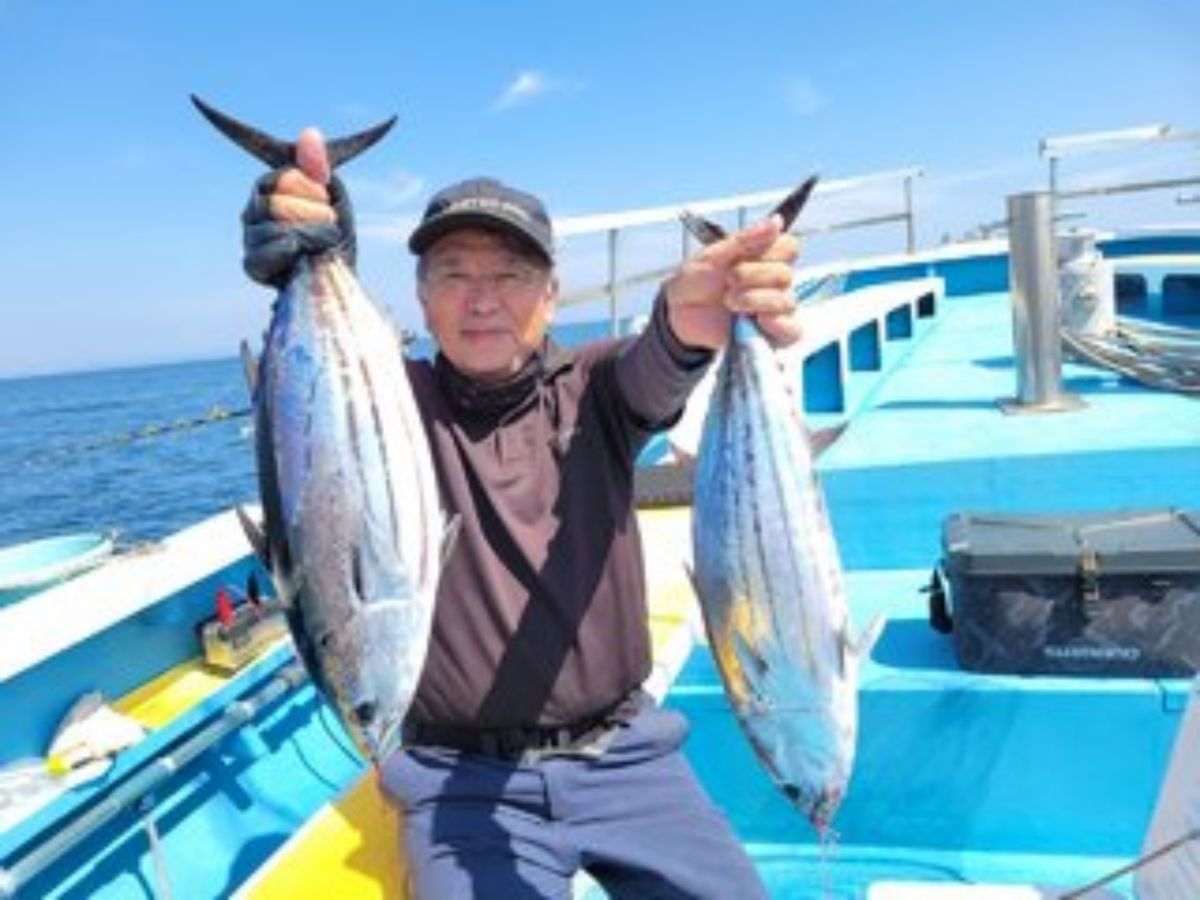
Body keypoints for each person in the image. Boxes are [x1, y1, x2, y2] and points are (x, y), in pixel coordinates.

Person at [242, 127, 801, 900]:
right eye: (453, 273)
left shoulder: (600, 386)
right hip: (453, 781)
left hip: (625, 754)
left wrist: (699, 312)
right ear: (420, 296)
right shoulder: (388, 405)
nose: (481, 298)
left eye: (510, 273)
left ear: (551, 292)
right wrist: (309, 244)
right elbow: (327, 410)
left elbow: (668, 351)